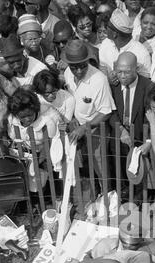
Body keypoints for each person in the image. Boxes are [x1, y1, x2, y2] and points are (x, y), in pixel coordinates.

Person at [62, 39, 115, 187]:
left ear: (88, 61)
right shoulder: (67, 73)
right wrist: (71, 118)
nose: (79, 71)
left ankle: (108, 195)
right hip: (76, 126)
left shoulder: (99, 80)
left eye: (82, 66)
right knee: (78, 163)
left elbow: (106, 112)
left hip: (96, 128)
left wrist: (85, 127)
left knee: (99, 165)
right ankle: (92, 194)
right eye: (74, 67)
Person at [109, 51, 151, 191]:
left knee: (139, 173)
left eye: (127, 72)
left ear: (136, 69)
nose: (122, 76)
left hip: (140, 137)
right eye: (119, 71)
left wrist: (147, 140)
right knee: (119, 171)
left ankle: (139, 198)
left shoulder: (148, 86)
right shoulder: (113, 86)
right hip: (119, 137)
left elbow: (150, 115)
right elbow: (111, 111)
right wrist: (121, 130)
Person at [7, 87, 60, 193]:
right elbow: (12, 138)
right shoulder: (11, 119)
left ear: (35, 109)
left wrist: (40, 160)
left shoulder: (49, 117)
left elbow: (52, 142)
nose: (27, 119)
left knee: (37, 183)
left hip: (42, 155)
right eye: (22, 116)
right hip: (20, 155)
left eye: (29, 115)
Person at [99, 8, 151, 83]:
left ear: (114, 34)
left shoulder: (142, 53)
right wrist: (107, 79)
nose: (106, 29)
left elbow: (145, 82)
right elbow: (103, 67)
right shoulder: (106, 44)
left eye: (108, 27)